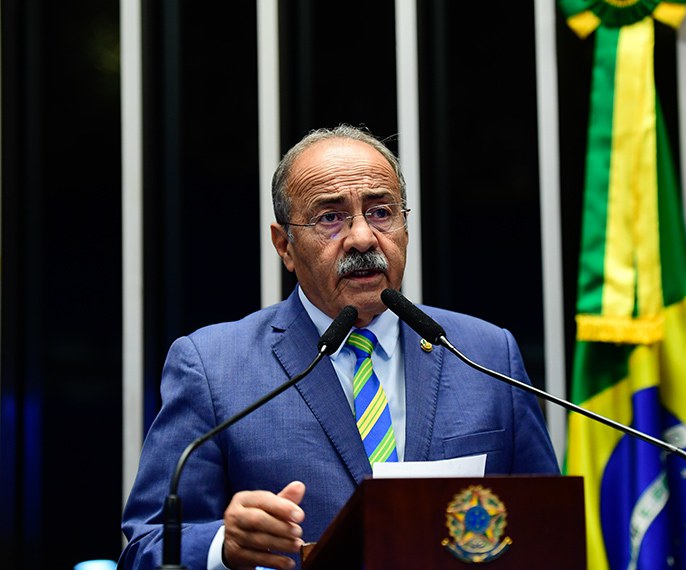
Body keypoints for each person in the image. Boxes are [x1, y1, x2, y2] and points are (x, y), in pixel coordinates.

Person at [119, 124, 559, 570]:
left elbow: (551, 531)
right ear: (284, 246)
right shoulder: (214, 367)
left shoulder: (485, 354)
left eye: (382, 212)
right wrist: (223, 547)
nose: (363, 238)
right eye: (330, 217)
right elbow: (145, 548)